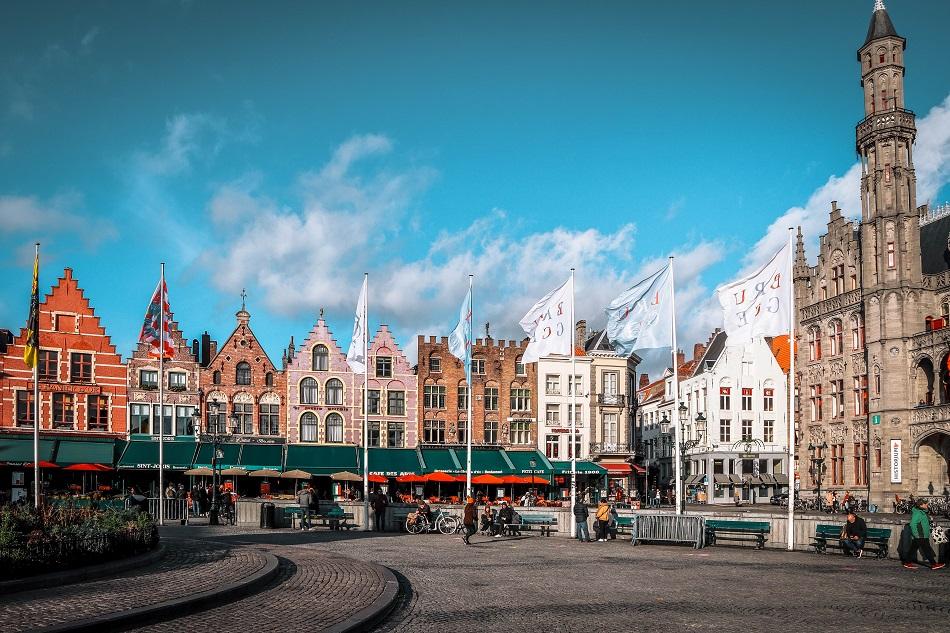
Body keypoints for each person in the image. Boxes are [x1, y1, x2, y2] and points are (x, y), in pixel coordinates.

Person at [902, 499, 945, 570]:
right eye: (925, 504)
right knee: (927, 549)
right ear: (921, 505)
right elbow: (912, 524)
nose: (927, 505)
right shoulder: (918, 513)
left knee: (913, 549)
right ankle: (934, 564)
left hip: (922, 534)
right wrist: (916, 534)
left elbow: (922, 521)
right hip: (921, 535)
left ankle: (907, 562)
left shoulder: (922, 512)